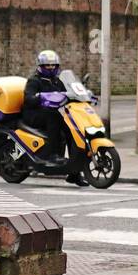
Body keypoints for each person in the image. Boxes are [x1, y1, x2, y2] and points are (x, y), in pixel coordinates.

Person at [23, 49, 87, 186]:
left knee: (72, 129)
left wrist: (79, 96)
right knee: (54, 117)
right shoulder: (34, 81)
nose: (51, 68)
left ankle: (75, 172)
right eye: (47, 65)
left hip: (51, 114)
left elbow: (67, 94)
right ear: (41, 66)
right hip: (33, 114)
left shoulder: (57, 81)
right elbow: (29, 99)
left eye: (53, 65)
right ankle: (51, 155)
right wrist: (40, 97)